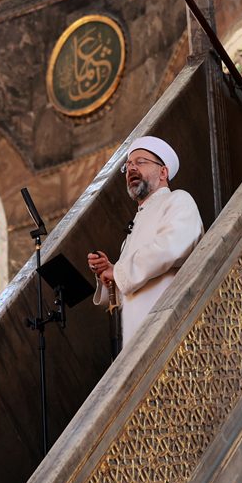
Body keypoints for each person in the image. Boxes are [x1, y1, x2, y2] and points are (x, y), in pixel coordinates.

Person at [87, 135, 203, 347]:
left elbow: (172, 247)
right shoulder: (134, 228)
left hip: (168, 329)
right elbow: (127, 289)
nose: (131, 168)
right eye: (128, 165)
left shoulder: (178, 200)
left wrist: (120, 271)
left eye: (140, 162)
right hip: (135, 337)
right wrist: (109, 274)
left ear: (163, 172)